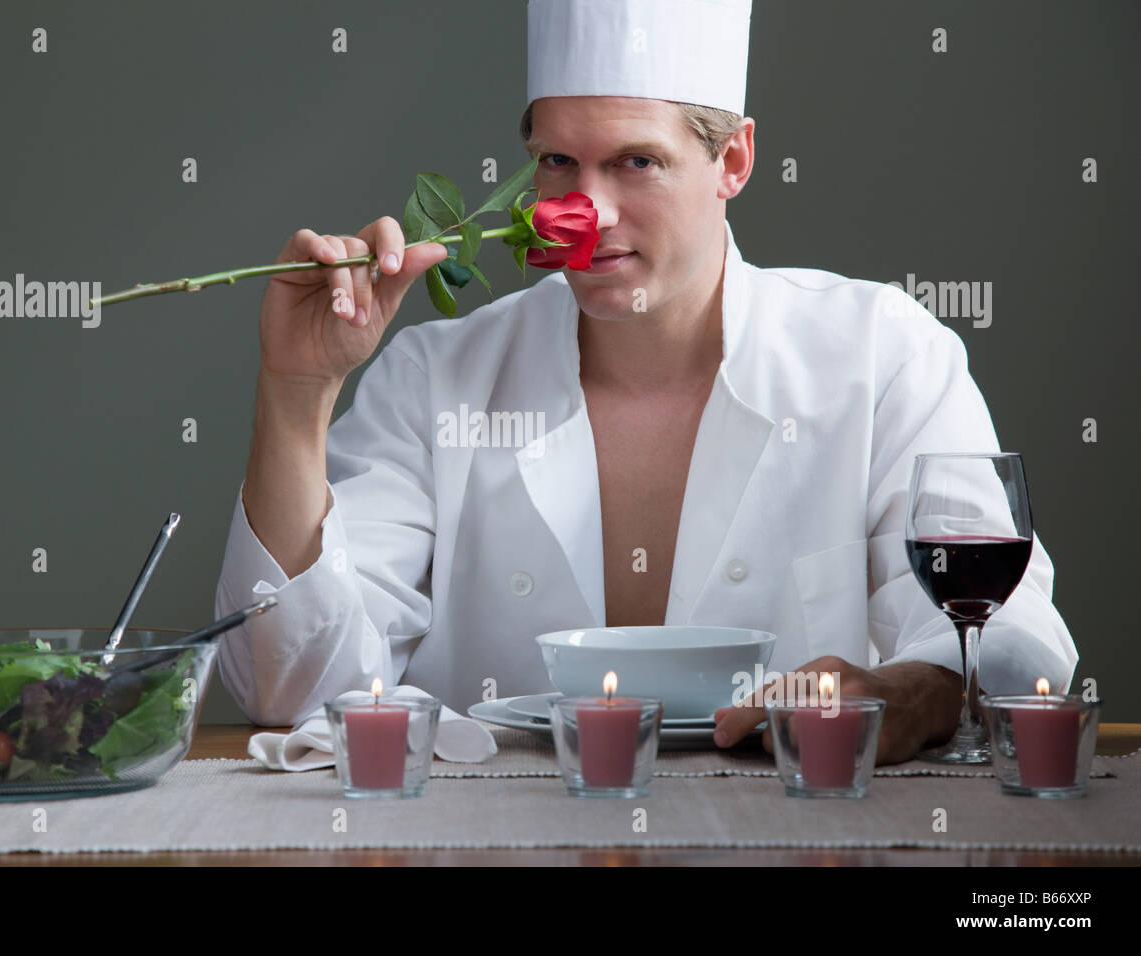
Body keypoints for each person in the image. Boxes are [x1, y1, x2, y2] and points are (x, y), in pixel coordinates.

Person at [213, 0, 1076, 764]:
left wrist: (917, 690)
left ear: (733, 160)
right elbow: (292, 690)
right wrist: (297, 390)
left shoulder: (885, 356)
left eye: (636, 163)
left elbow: (1009, 635)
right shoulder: (432, 380)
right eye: (556, 163)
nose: (583, 217)